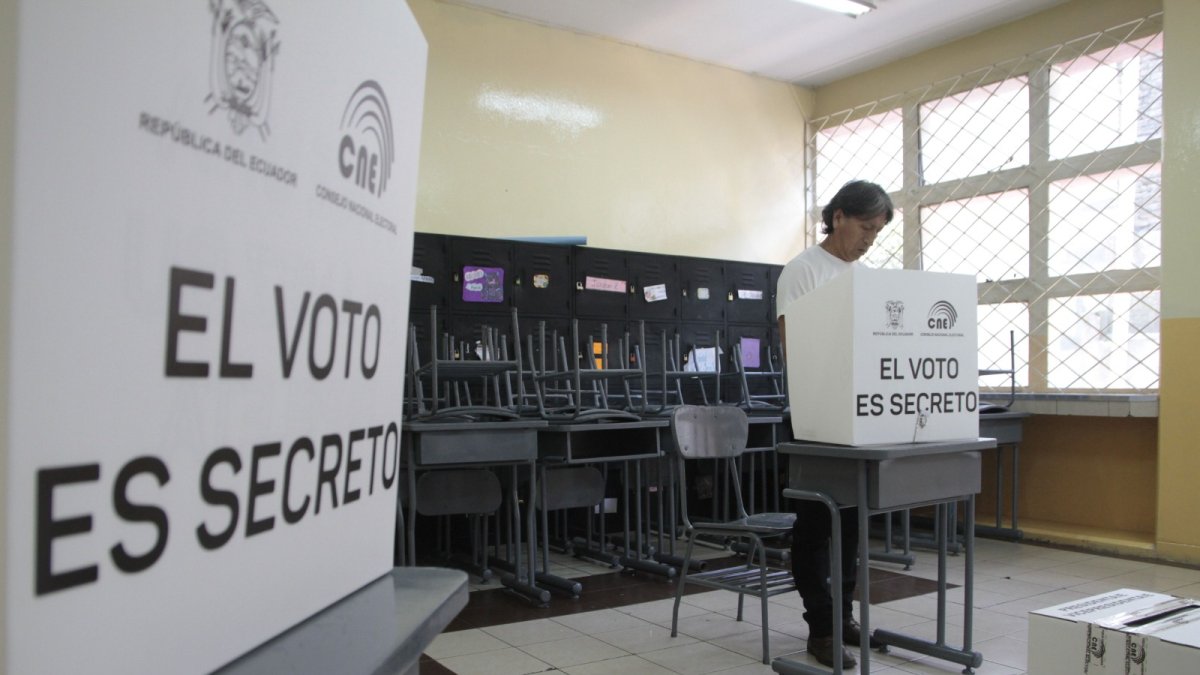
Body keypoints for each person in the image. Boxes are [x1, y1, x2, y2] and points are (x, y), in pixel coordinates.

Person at [776, 179, 894, 669]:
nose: (869, 238)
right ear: (839, 216)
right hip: (814, 417)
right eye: (865, 226)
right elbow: (794, 346)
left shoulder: (865, 277)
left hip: (857, 415)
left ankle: (842, 614)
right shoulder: (803, 271)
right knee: (814, 525)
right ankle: (820, 628)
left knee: (851, 524)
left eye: (878, 231)